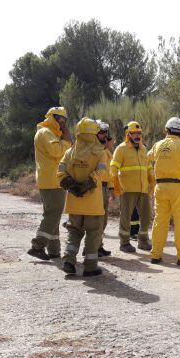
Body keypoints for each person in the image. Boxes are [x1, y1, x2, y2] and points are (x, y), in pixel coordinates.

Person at [57, 117, 107, 276]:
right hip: (92, 203)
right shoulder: (100, 153)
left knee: (73, 232)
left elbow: (60, 173)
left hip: (74, 202)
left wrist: (72, 186)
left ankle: (68, 261)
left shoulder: (69, 153)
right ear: (95, 133)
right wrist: (87, 184)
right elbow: (101, 172)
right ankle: (90, 266)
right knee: (93, 233)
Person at [148, 117, 180, 266]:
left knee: (160, 221)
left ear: (166, 130)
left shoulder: (158, 145)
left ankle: (156, 255)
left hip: (161, 188)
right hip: (179, 189)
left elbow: (148, 156)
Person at [28, 107, 72, 261]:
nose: (63, 123)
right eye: (60, 119)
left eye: (65, 120)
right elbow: (56, 151)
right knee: (52, 215)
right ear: (52, 118)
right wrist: (67, 141)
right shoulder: (45, 132)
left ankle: (54, 250)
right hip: (52, 180)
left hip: (52, 179)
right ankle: (38, 246)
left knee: (53, 215)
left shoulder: (50, 133)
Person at [110, 121, 154, 253]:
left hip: (143, 188)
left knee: (146, 215)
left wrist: (152, 180)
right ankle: (124, 242)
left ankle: (143, 241)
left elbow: (148, 167)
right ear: (128, 134)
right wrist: (115, 184)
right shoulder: (121, 148)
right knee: (126, 216)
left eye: (139, 133)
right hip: (127, 189)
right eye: (134, 133)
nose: (137, 136)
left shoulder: (143, 149)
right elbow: (113, 168)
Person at [95, 120, 114, 257]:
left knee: (103, 219)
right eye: (101, 132)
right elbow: (99, 171)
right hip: (96, 187)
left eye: (106, 133)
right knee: (97, 219)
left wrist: (112, 188)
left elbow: (108, 171)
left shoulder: (105, 152)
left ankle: (98, 246)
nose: (104, 135)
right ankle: (92, 247)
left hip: (104, 187)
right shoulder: (95, 150)